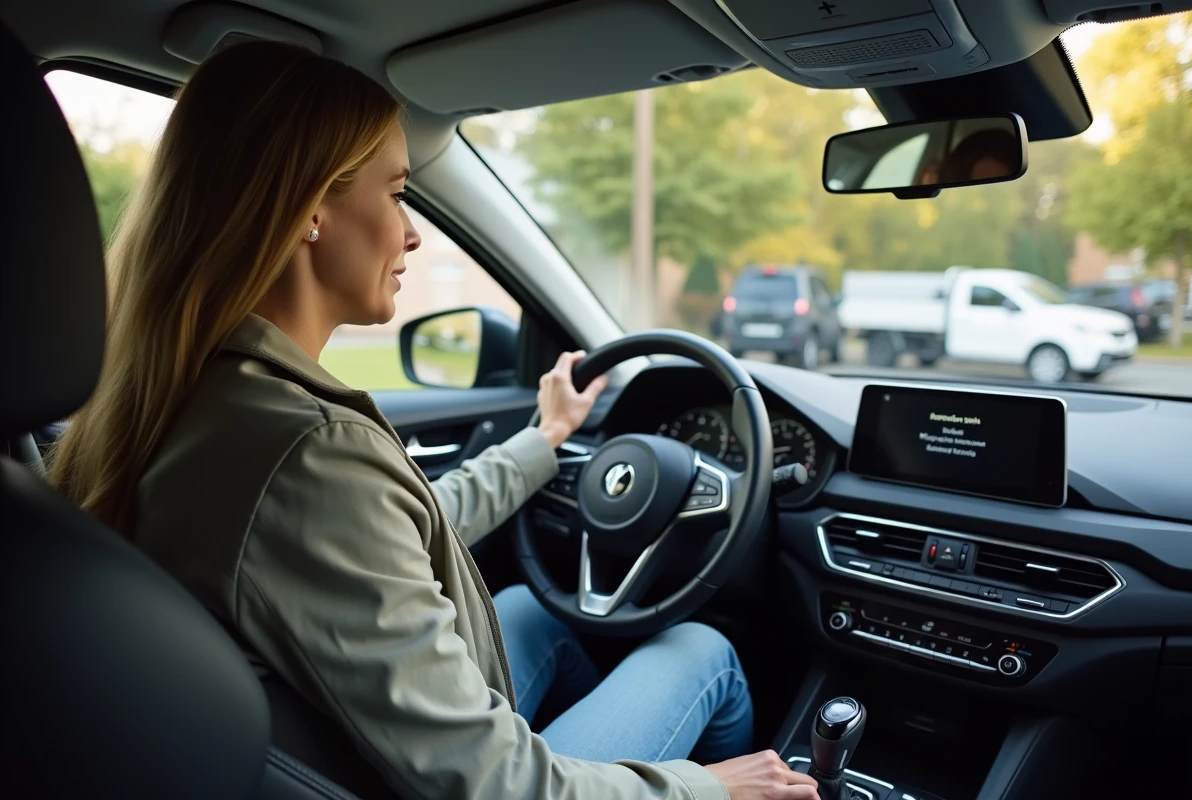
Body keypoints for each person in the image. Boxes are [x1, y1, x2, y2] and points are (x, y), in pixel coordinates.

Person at [48, 41, 819, 800]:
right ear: (312, 208)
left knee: (527, 611)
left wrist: (542, 441)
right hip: (437, 778)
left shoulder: (193, 397)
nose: (413, 231)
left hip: (339, 744)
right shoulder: (307, 450)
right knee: (702, 649)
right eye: (395, 193)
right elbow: (492, 781)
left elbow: (383, 537)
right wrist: (706, 788)